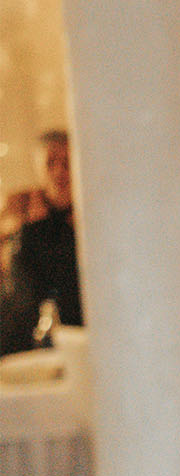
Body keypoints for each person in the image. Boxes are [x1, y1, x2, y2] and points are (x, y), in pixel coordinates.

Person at [6, 130, 81, 328]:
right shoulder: (22, 215)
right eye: (50, 163)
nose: (59, 172)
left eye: (66, 163)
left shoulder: (90, 218)